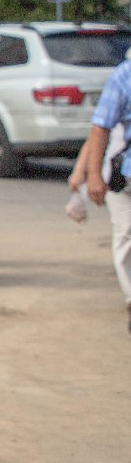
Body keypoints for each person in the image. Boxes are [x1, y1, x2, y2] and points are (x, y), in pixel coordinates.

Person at [73, 52, 131, 332]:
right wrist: (92, 175)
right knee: (126, 234)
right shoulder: (124, 75)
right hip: (126, 175)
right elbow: (100, 128)